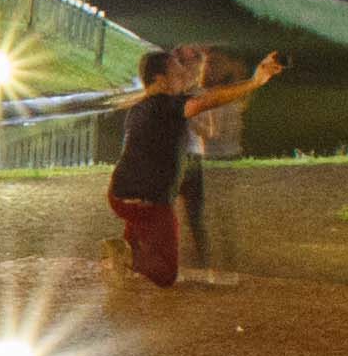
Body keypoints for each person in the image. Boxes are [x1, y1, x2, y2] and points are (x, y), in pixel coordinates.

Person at [108, 44, 278, 288]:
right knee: (166, 275)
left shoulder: (138, 109)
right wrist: (255, 81)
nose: (184, 77)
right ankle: (127, 258)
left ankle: (126, 250)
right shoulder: (169, 105)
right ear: (161, 80)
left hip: (119, 195)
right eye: (178, 73)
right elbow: (209, 100)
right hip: (150, 203)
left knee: (139, 222)